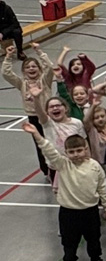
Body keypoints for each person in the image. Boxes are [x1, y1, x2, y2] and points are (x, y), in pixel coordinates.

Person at [23, 123, 106, 261]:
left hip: (90, 211)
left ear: (86, 149)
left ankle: (96, 259)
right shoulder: (63, 165)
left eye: (79, 150)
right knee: (69, 242)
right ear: (66, 153)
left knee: (94, 238)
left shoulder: (94, 166)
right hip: (69, 213)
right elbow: (48, 150)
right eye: (71, 152)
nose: (76, 154)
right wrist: (37, 134)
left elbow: (102, 186)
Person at [4, 43, 55, 178]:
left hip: (49, 116)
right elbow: (6, 73)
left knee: (53, 142)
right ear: (23, 71)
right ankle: (46, 170)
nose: (31, 69)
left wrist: (39, 51)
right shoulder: (22, 84)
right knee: (40, 145)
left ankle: (56, 168)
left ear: (39, 69)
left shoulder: (45, 81)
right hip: (33, 118)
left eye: (34, 66)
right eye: (27, 67)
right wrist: (9, 56)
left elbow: (50, 67)